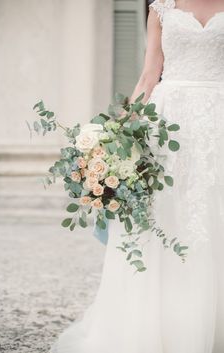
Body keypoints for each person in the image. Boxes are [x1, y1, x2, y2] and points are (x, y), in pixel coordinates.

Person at [50, 0, 224, 352]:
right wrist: (115, 137)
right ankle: (160, 326)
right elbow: (150, 74)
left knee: (211, 215)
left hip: (218, 120)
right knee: (166, 217)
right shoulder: (161, 7)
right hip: (167, 121)